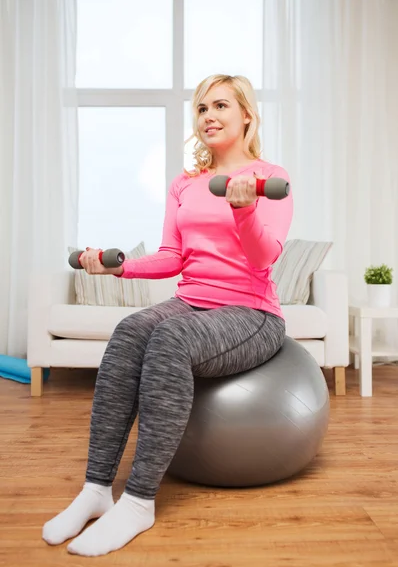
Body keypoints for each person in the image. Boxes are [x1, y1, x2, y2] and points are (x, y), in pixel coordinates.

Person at [42, 74, 293, 557]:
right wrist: (117, 267)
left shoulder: (269, 177)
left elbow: (264, 258)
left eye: (221, 105)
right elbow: (171, 256)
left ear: (247, 114)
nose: (209, 116)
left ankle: (138, 502)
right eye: (201, 109)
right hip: (192, 299)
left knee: (170, 339)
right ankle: (97, 489)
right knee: (130, 330)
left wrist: (244, 210)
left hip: (251, 312)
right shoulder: (186, 184)